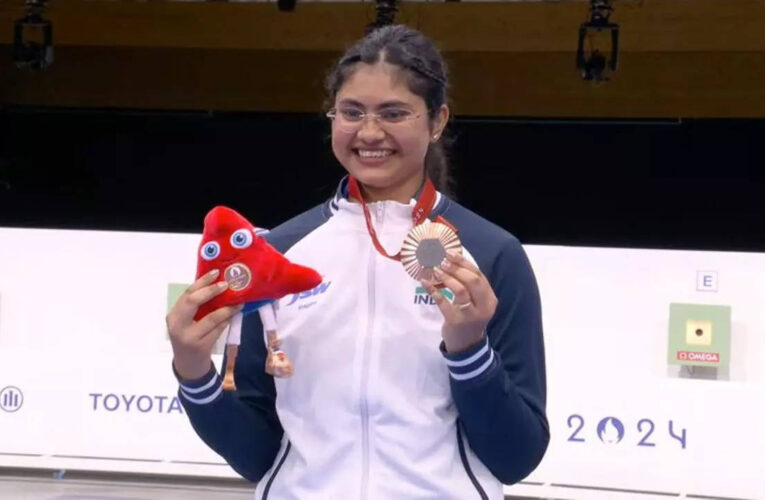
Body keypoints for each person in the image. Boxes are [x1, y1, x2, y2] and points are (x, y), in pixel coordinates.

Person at [166, 24, 549, 500]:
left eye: (394, 113)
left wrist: (470, 351)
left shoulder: (491, 254)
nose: (369, 133)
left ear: (437, 121)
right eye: (351, 112)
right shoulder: (279, 253)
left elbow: (517, 457)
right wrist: (193, 370)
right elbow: (257, 456)